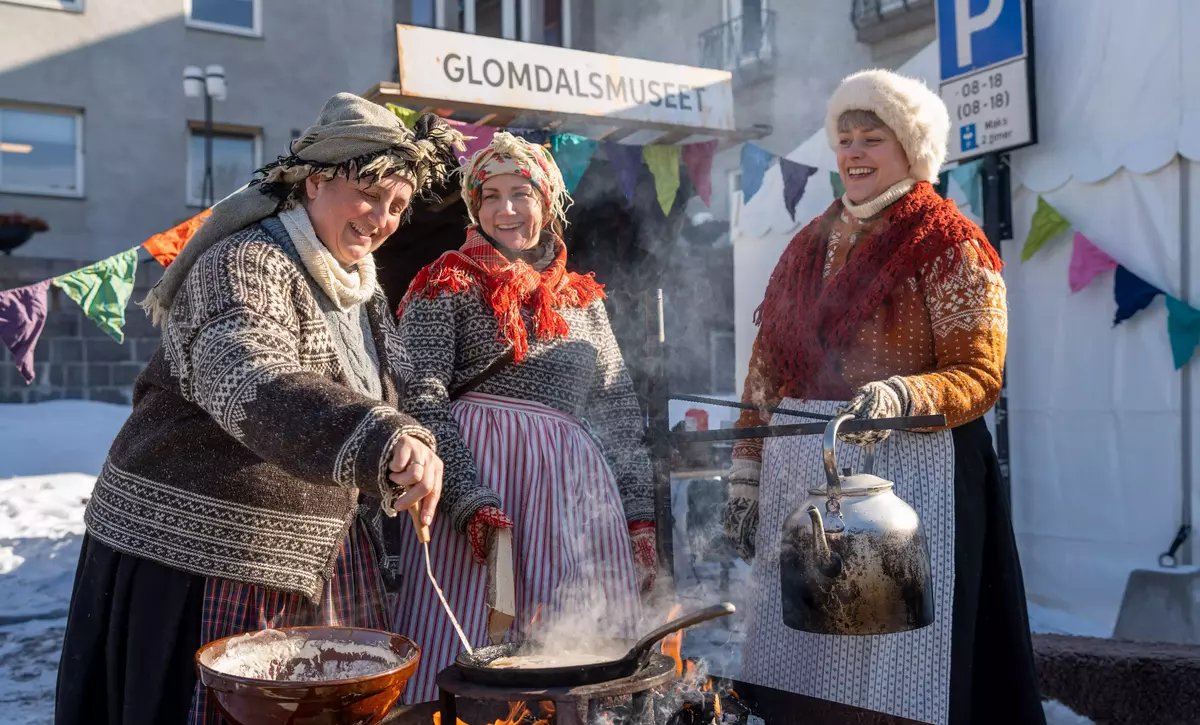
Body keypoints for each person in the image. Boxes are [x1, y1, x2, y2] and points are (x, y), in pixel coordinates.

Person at [54, 93, 464, 725]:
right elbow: (246, 374)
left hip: (313, 548)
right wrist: (380, 436)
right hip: (203, 553)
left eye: (397, 206)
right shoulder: (246, 259)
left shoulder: (359, 285)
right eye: (370, 194)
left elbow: (390, 391)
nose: (381, 219)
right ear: (316, 181)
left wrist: (418, 441)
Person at [722, 70, 1045, 725]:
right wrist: (746, 476)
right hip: (799, 477)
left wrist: (900, 395)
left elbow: (979, 374)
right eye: (845, 139)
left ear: (912, 150)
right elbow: (766, 375)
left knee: (900, 676)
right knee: (806, 672)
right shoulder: (804, 246)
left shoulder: (952, 243)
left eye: (873, 138)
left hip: (910, 481)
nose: (853, 153)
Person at [393, 132, 656, 702]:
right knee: (469, 636)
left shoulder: (582, 298)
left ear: (548, 200)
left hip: (572, 490)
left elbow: (616, 409)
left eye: (521, 193)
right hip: (477, 477)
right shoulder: (446, 280)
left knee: (577, 638)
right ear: (473, 207)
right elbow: (420, 398)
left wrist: (639, 517)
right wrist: (467, 497)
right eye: (489, 196)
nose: (505, 210)